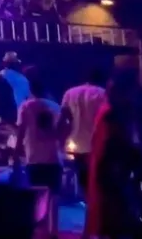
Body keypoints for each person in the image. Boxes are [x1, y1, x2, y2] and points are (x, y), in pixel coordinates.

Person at [86, 71, 142, 239]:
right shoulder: (111, 113)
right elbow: (110, 144)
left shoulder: (114, 111)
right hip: (113, 174)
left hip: (112, 173)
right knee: (114, 221)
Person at [16, 73, 66, 238]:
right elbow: (61, 132)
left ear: (30, 89)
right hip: (54, 158)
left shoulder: (26, 106)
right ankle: (54, 231)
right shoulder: (55, 106)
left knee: (36, 197)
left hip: (34, 158)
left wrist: (16, 153)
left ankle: (39, 230)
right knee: (54, 196)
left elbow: (21, 131)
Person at [60, 67, 109, 200]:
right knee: (97, 178)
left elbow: (64, 117)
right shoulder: (102, 93)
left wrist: (61, 140)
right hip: (96, 143)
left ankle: (87, 202)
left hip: (76, 143)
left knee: (83, 176)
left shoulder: (70, 93)